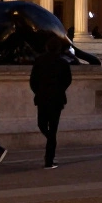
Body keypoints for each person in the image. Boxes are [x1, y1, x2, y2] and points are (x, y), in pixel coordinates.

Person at [29, 38, 73, 170]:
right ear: (58, 49)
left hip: (42, 97)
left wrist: (38, 91)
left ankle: (49, 153)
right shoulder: (63, 63)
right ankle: (50, 155)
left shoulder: (39, 61)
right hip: (57, 98)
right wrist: (60, 90)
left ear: (47, 48)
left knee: (41, 124)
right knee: (53, 128)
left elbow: (33, 80)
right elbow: (68, 80)